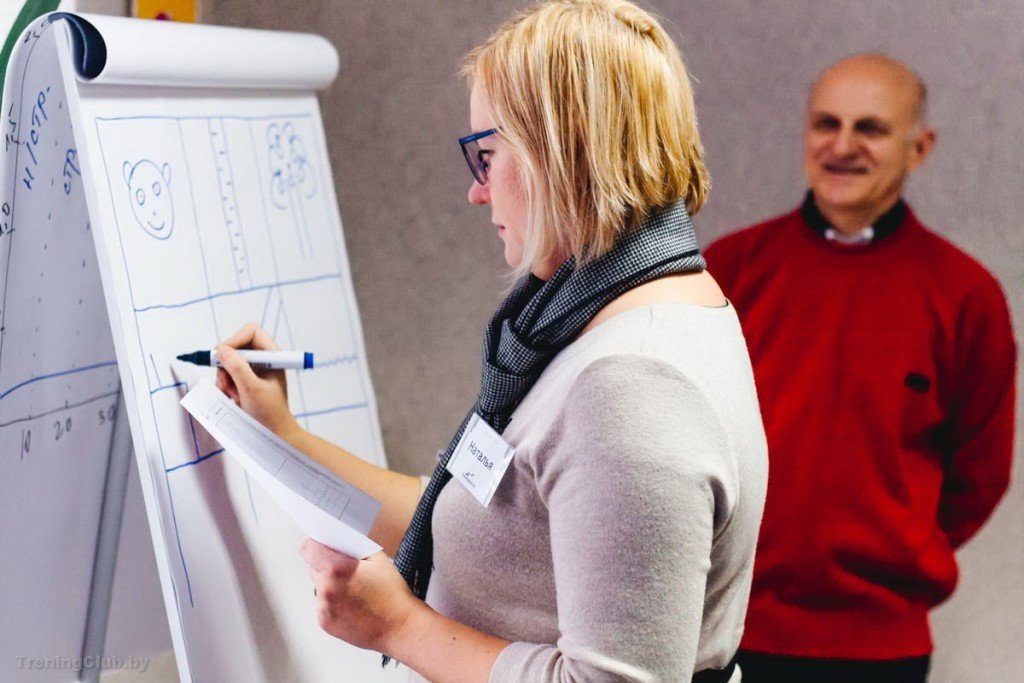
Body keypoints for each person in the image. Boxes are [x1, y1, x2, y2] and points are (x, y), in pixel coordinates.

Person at [216, 1, 767, 681]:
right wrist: (284, 437)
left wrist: (398, 625)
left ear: (557, 154)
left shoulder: (631, 382)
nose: (477, 193)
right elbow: (489, 525)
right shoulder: (617, 308)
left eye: (488, 155)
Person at [704, 53, 1016, 682]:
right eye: (827, 123)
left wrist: (901, 546)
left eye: (869, 128)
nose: (842, 146)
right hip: (727, 629)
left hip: (882, 648)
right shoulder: (730, 269)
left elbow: (980, 473)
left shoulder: (965, 295)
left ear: (919, 149)